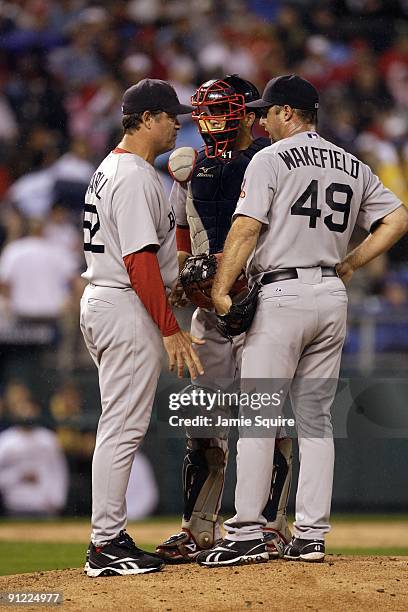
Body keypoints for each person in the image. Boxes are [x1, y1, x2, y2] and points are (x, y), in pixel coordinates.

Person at [197, 74, 408, 567]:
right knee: (316, 421)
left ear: (289, 113)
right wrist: (353, 263)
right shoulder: (352, 163)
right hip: (331, 296)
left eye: (267, 111)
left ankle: (247, 533)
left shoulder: (270, 158)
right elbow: (397, 218)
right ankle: (311, 535)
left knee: (260, 415)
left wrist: (222, 290)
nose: (259, 118)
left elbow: (246, 227)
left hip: (281, 293)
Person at [155, 75, 293, 564]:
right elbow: (184, 231)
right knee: (203, 420)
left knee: (268, 418)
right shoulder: (190, 168)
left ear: (250, 114)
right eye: (206, 111)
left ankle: (273, 526)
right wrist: (185, 277)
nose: (213, 120)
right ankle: (198, 529)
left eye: (224, 109)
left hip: (262, 305)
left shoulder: (273, 161)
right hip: (209, 315)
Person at [80, 78, 205, 578]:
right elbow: (137, 261)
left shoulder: (115, 168)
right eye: (171, 115)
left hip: (112, 301)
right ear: (147, 119)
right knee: (122, 427)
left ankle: (110, 535)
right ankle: (104, 544)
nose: (178, 123)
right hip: (126, 304)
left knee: (119, 424)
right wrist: (170, 328)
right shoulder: (131, 175)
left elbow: (147, 258)